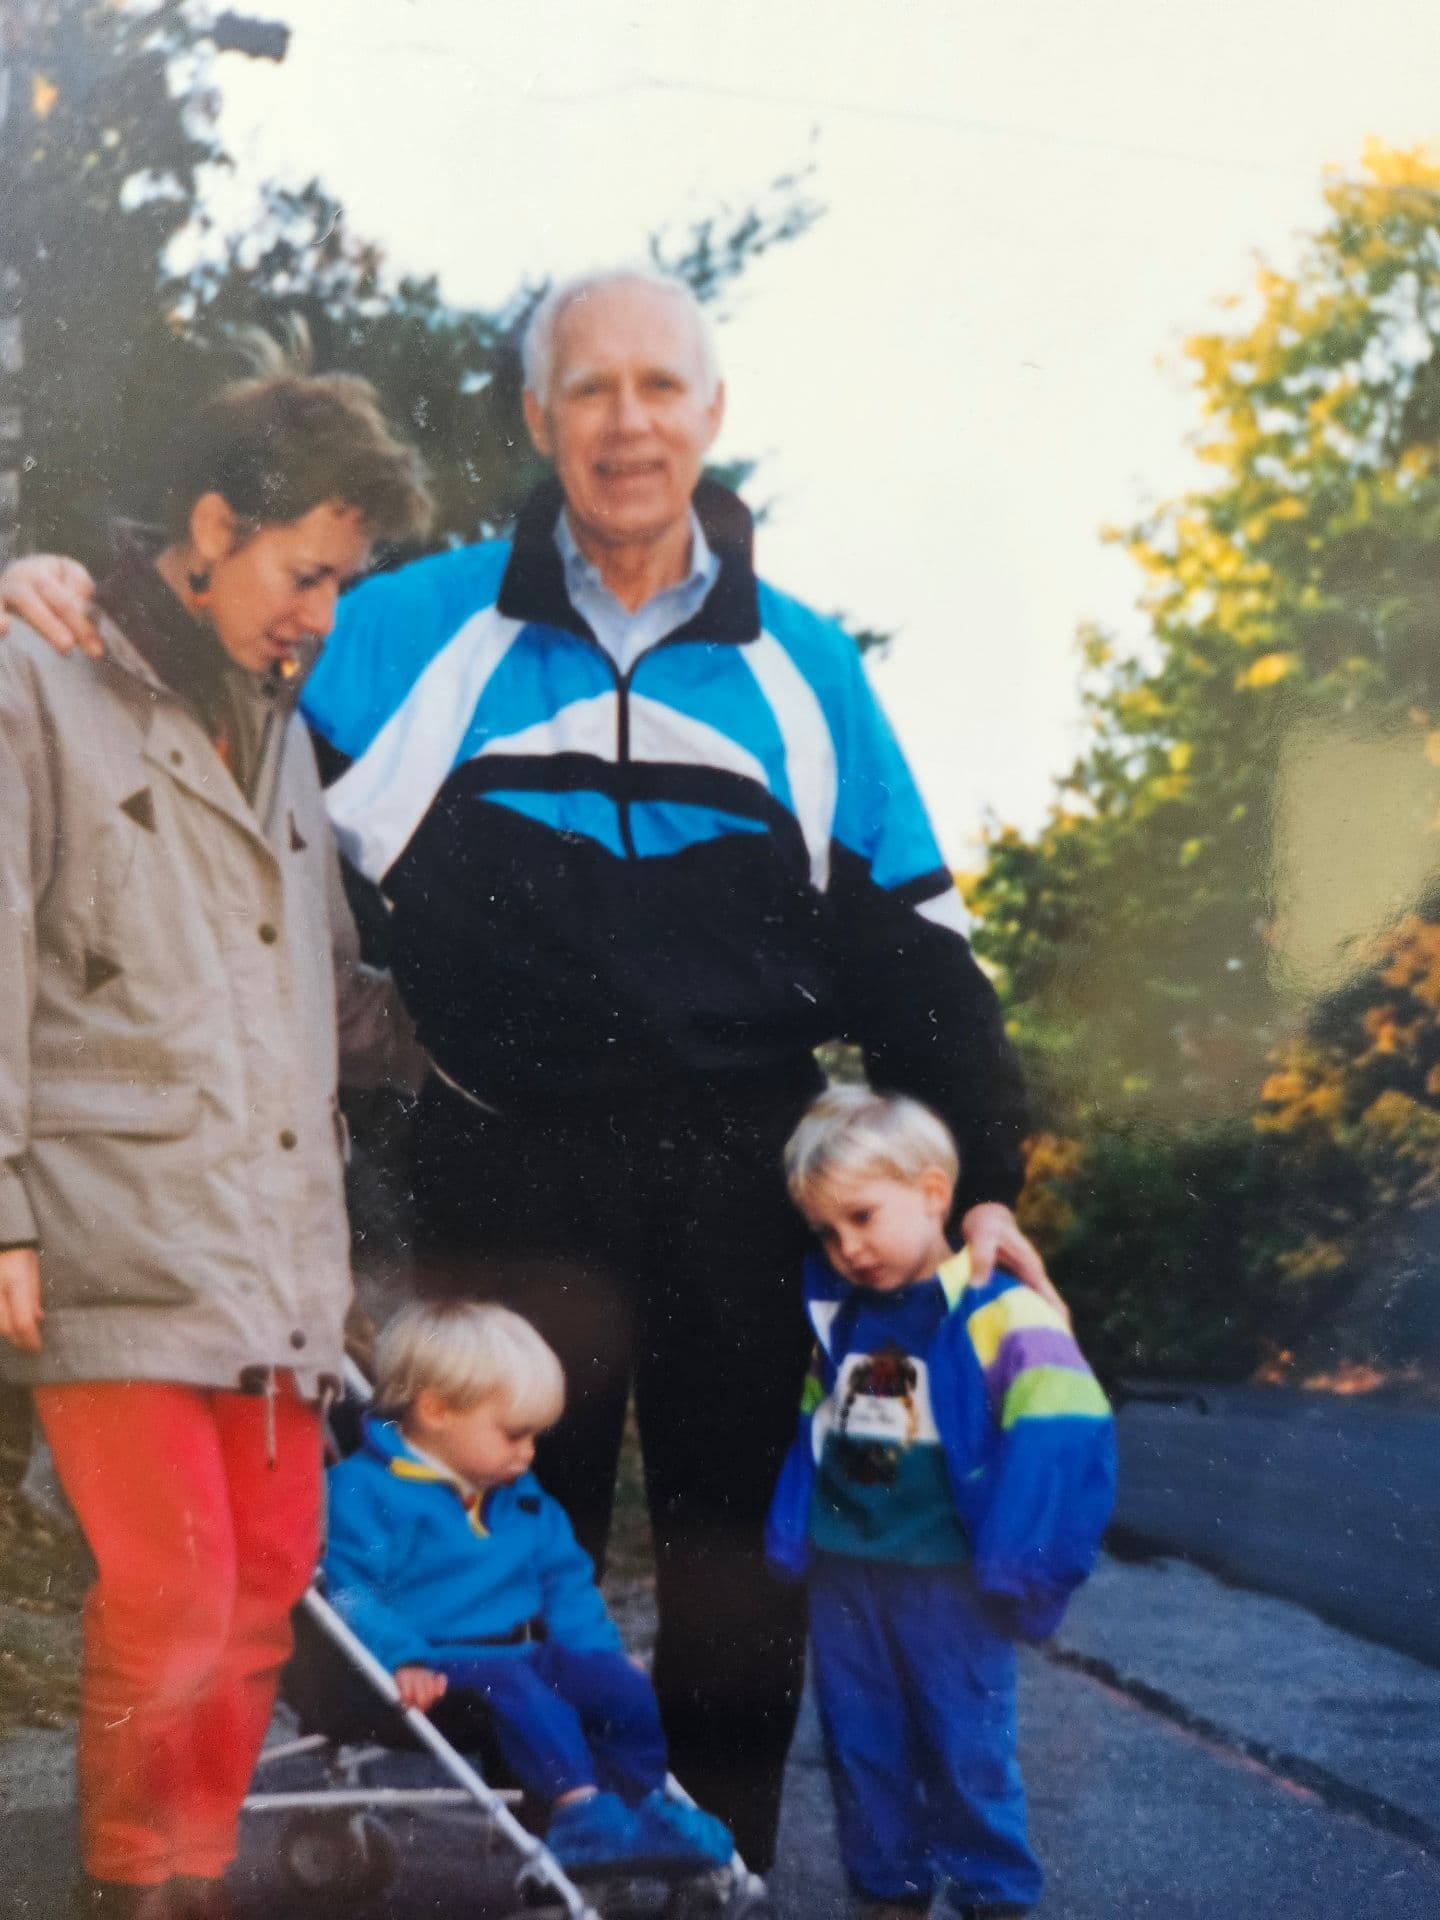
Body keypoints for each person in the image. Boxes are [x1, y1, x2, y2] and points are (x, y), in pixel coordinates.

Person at [0, 265, 1060, 1869]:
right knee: (486, 1546)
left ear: (712, 417)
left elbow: (915, 953)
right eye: (588, 389)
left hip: (734, 1178)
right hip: (505, 1162)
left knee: (730, 1558)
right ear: (536, 419)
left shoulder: (807, 668)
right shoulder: (402, 625)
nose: (626, 423)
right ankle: (524, 1869)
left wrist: (977, 1184)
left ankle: (718, 1867)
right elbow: (184, 670)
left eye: (660, 388)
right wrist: (48, 577)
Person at [0, 356, 432, 1918]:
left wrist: (504, 1031)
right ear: (207, 526)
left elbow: (326, 992)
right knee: (172, 1592)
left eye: (342, 580)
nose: (320, 610)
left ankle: (191, 1869)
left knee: (258, 1594)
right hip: (114, 1226)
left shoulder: (288, 740)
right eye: (304, 570)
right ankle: (134, 1883)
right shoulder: (34, 675)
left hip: (273, 1256)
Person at [765, 1086, 1115, 1920]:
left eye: (861, 1217)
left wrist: (1020, 1562)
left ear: (931, 1193)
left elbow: (1065, 1438)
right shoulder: (846, 1318)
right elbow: (818, 1429)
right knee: (861, 1744)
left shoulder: (1003, 1313)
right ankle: (889, 1892)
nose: (847, 1247)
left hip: (952, 1581)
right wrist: (791, 1528)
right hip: (848, 1575)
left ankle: (994, 1895)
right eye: (827, 1231)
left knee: (965, 1746)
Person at [324, 1299, 735, 1876]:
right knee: (519, 1683)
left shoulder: (516, 1493)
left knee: (619, 1686)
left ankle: (640, 1810)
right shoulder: (365, 1492)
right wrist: (403, 1656)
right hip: (431, 1666)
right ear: (436, 1410)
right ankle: (581, 1817)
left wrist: (598, 1652)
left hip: (516, 1656)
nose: (529, 1452)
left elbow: (565, 1580)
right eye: (515, 1435)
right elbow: (349, 1591)